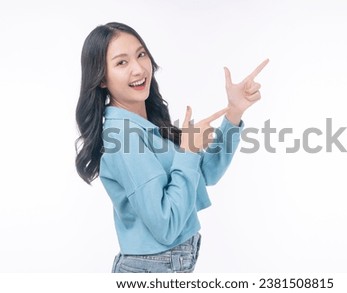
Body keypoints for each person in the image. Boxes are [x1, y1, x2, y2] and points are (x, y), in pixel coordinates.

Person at [75, 22, 268, 273]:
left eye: (141, 54)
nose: (138, 68)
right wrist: (187, 150)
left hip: (164, 265)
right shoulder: (123, 136)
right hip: (153, 268)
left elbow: (206, 174)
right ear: (101, 78)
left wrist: (234, 113)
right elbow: (166, 225)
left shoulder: (145, 125)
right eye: (121, 62)